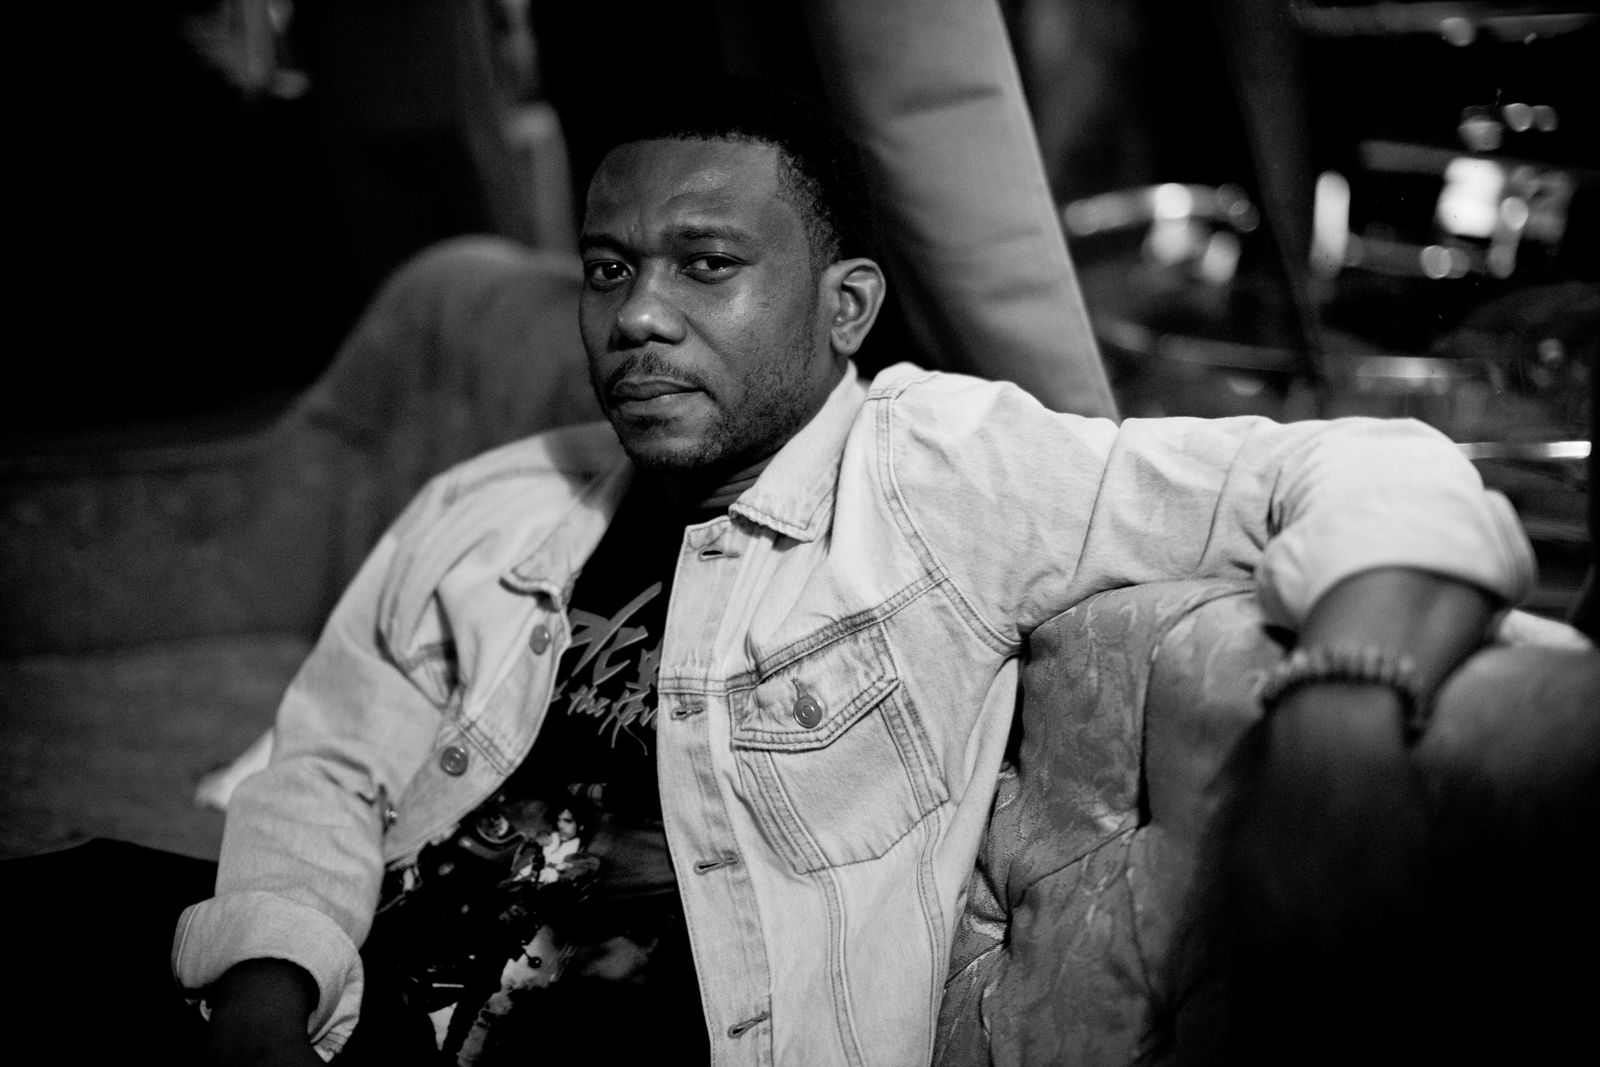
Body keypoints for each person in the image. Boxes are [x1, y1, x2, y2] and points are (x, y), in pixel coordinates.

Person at [149, 77, 1540, 1064]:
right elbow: (329, 763)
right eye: (609, 267)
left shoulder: (935, 471)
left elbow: (1357, 464)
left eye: (706, 265)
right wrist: (262, 1003)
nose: (638, 316)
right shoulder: (499, 502)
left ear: (847, 307)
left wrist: (1349, 699)